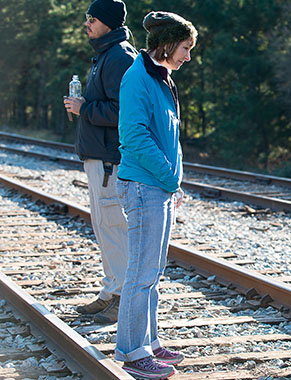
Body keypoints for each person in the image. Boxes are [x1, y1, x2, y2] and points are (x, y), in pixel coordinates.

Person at [113, 11, 197, 380]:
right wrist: (169, 177)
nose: (188, 57)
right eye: (185, 48)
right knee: (140, 273)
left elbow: (168, 137)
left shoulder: (160, 78)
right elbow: (135, 137)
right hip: (145, 185)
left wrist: (173, 179)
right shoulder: (138, 78)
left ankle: (149, 341)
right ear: (166, 44)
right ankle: (133, 353)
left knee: (153, 271)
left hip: (158, 186)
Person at [63, 0, 137, 324]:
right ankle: (110, 291)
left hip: (110, 160)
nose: (86, 23)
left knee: (115, 228)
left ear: (107, 22)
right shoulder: (107, 54)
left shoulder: (119, 57)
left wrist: (84, 108)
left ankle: (122, 298)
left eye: (91, 18)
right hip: (100, 158)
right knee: (104, 227)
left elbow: (125, 111)